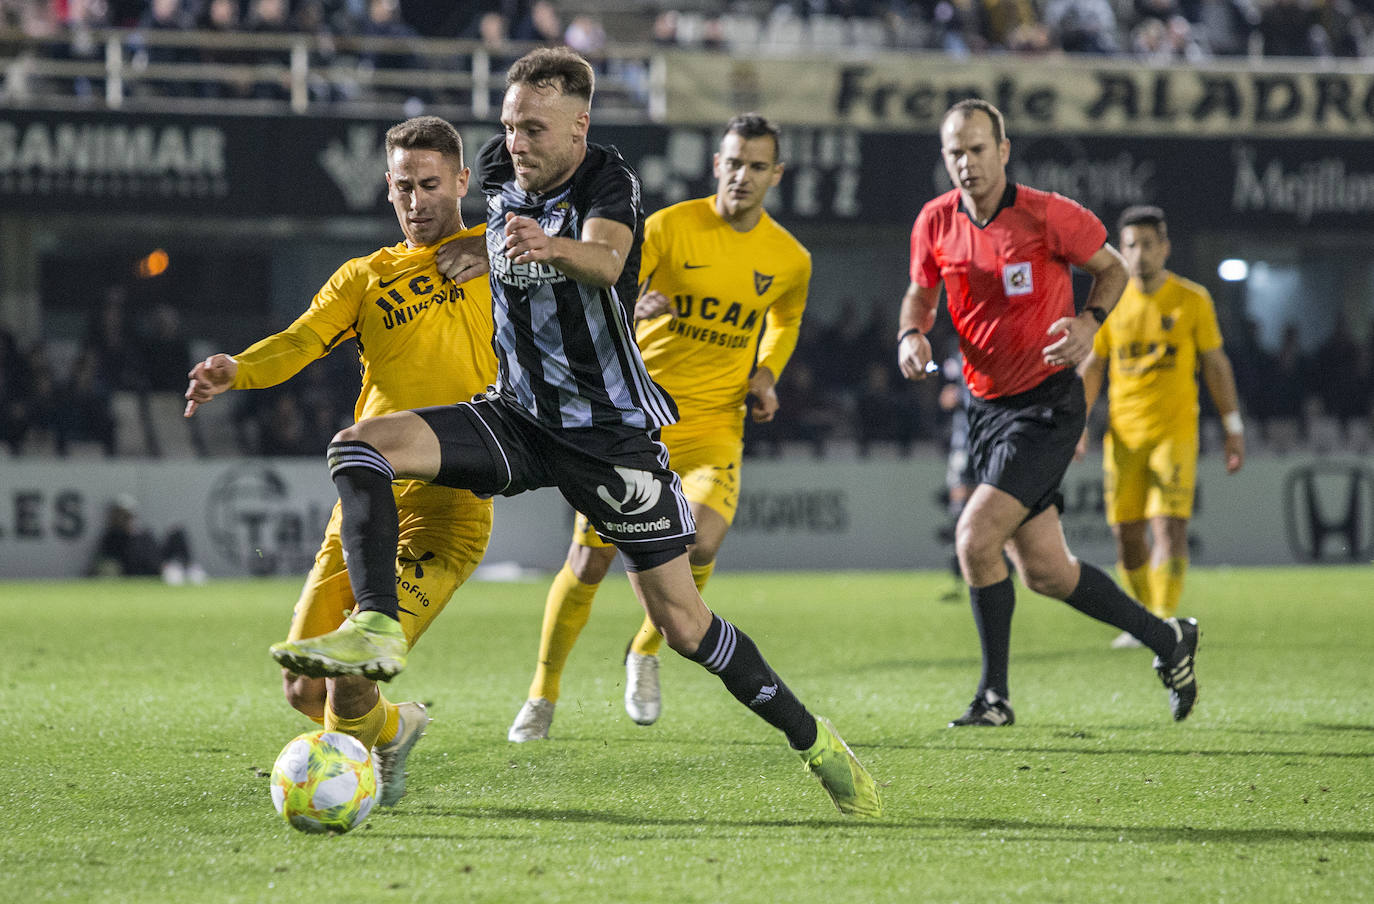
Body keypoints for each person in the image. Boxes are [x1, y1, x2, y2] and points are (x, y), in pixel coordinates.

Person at [268, 48, 879, 817]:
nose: (516, 141)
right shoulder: (497, 171)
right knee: (359, 446)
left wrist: (542, 245)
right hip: (518, 416)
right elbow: (483, 220)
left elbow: (608, 257)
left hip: (608, 436)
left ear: (579, 127)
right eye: (509, 125)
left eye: (533, 128)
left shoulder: (608, 180)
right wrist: (475, 241)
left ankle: (814, 741)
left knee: (684, 625)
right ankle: (379, 625)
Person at [184, 116, 498, 807]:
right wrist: (236, 367)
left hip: (448, 516)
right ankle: (396, 729)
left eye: (431, 185)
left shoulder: (501, 255)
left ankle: (346, 787)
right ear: (387, 188)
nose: (417, 200)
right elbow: (299, 341)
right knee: (305, 686)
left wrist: (496, 245)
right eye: (404, 186)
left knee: (353, 671)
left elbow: (589, 246)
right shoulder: (366, 277)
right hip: (368, 502)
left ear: (463, 183)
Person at [504, 112, 811, 742]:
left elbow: (784, 318)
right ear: (715, 164)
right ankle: (543, 692)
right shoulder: (670, 227)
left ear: (776, 175)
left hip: (714, 432)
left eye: (757, 166)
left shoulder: (789, 258)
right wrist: (634, 304)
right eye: (732, 163)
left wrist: (767, 374)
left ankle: (646, 647)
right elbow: (607, 281)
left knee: (700, 542)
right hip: (636, 428)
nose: (742, 176)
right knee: (589, 563)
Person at [897, 98, 1201, 727]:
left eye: (977, 149)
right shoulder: (935, 221)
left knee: (975, 539)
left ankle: (994, 697)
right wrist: (912, 334)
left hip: (1046, 404)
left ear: (1003, 151)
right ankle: (1169, 640)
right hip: (985, 409)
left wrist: (1090, 322)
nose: (966, 162)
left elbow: (1111, 270)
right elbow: (921, 293)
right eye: (955, 151)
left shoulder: (1048, 214)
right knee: (1046, 573)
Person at [1076, 206, 1244, 648]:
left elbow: (1216, 365)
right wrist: (1079, 424)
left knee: (1169, 525)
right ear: (1120, 249)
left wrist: (1233, 426)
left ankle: (1165, 619)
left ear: (1165, 248)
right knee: (1127, 534)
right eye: (1130, 245)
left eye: (1149, 244)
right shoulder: (1109, 304)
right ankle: (1145, 619)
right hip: (1125, 437)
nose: (1140, 254)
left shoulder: (1192, 299)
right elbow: (1093, 365)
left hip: (1175, 433)